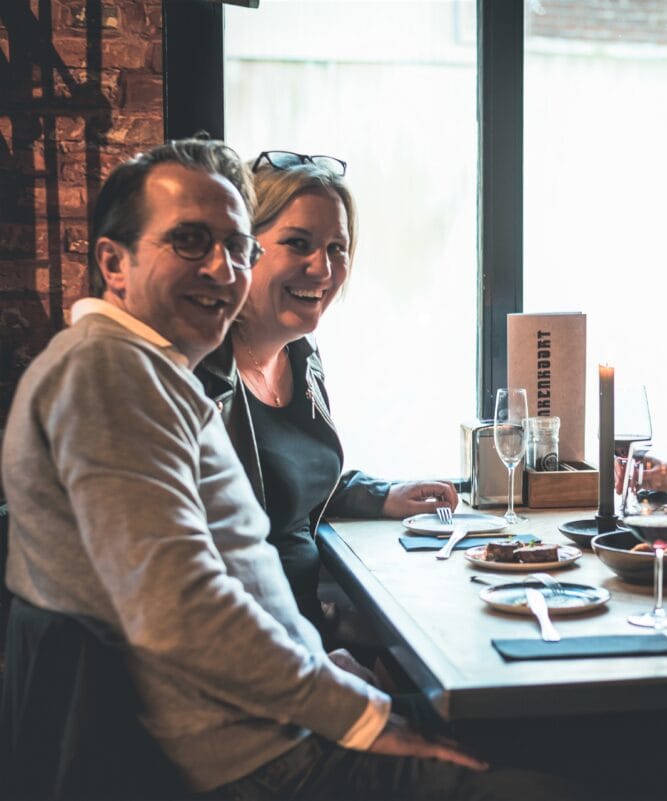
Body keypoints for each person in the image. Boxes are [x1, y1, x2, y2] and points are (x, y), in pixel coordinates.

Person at [1, 138, 561, 799]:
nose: (223, 268)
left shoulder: (151, 371)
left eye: (237, 247)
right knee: (566, 767)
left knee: (542, 725)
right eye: (190, 241)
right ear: (113, 263)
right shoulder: (108, 374)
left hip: (279, 716)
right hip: (260, 756)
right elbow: (181, 605)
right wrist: (356, 713)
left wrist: (319, 661)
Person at [196, 151, 457, 634]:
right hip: (253, 646)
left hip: (307, 629)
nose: (322, 269)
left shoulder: (301, 355)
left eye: (337, 247)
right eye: (298, 243)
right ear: (243, 249)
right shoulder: (197, 375)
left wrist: (381, 495)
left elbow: (286, 487)